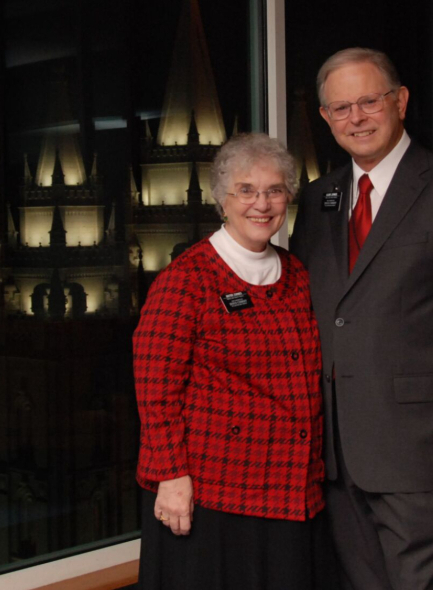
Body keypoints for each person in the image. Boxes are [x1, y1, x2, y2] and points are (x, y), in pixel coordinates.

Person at [290, 47, 433, 590]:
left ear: (401, 101)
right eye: (341, 108)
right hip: (335, 452)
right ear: (325, 118)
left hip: (423, 446)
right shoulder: (318, 199)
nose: (357, 118)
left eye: (369, 101)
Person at [134, 132, 325, 590]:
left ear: (289, 198)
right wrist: (171, 476)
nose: (262, 203)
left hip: (293, 487)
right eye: (246, 190)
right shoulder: (186, 279)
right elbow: (155, 390)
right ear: (222, 198)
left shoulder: (296, 273)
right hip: (215, 492)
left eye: (274, 190)